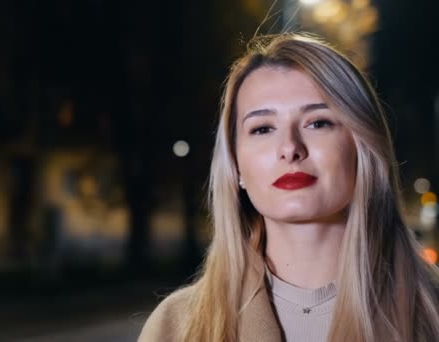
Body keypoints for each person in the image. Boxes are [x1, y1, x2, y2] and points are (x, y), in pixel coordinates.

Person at [138, 33, 439, 342]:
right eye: (263, 128)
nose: (290, 148)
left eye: (318, 122)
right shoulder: (175, 327)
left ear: (362, 148)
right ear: (236, 166)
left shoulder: (433, 313)